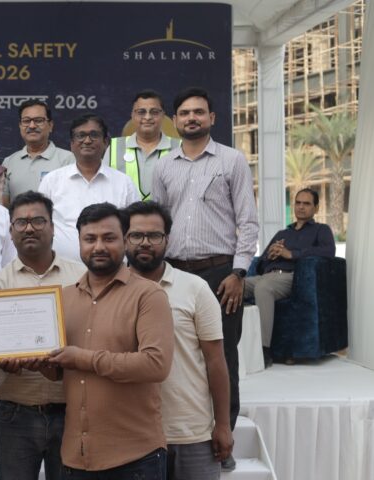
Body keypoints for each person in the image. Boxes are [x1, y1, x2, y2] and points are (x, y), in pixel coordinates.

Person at [152, 86, 259, 472]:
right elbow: (157, 224)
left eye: (198, 112)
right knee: (174, 353)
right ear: (174, 121)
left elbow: (247, 221)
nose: (191, 118)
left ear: (212, 118)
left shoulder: (232, 160)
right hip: (174, 272)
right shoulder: (163, 166)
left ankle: (222, 438)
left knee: (222, 353)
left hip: (220, 274)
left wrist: (238, 272)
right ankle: (170, 434)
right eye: (184, 113)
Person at [45, 203, 174, 478]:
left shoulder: (149, 295)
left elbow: (156, 365)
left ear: (125, 241)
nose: (99, 247)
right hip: (76, 457)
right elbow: (58, 371)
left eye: (109, 238)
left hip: (135, 458)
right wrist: (37, 362)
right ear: (79, 243)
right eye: (90, 239)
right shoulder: (63, 298)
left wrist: (83, 358)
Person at [124, 201, 233, 480]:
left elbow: (216, 362)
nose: (145, 243)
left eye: (154, 235)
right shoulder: (113, 290)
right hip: (132, 435)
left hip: (190, 433)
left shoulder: (195, 288)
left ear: (167, 240)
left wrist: (223, 424)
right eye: (136, 235)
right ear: (124, 239)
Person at [0, 191, 85, 480]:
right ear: (11, 231)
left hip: (71, 411)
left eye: (38, 221)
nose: (29, 228)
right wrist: (2, 360)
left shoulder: (81, 278)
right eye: (21, 222)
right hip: (15, 413)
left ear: (53, 227)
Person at [244, 188, 336, 363]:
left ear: (316, 208)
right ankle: (231, 344)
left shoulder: (321, 230)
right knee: (234, 286)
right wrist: (270, 256)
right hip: (267, 276)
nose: (301, 207)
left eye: (306, 204)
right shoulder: (283, 234)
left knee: (263, 288)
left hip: (292, 278)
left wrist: (292, 254)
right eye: (298, 203)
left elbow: (328, 252)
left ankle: (264, 350)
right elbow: (261, 264)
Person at [38, 114, 139, 262]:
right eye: (81, 136)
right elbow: (41, 225)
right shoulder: (52, 181)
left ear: (105, 142)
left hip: (113, 268)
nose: (87, 140)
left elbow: (135, 228)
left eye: (94, 135)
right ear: (72, 144)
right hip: (63, 269)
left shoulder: (123, 182)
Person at [103, 90, 180, 200]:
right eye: (141, 112)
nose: (147, 117)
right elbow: (105, 188)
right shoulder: (114, 147)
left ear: (163, 115)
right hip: (123, 211)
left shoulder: (180, 148)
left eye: (154, 112)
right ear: (132, 115)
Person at [2, 100, 75, 204]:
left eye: (38, 120)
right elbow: (3, 205)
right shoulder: (9, 162)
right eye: (26, 121)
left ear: (50, 125)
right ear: (20, 126)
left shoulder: (67, 159)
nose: (32, 126)